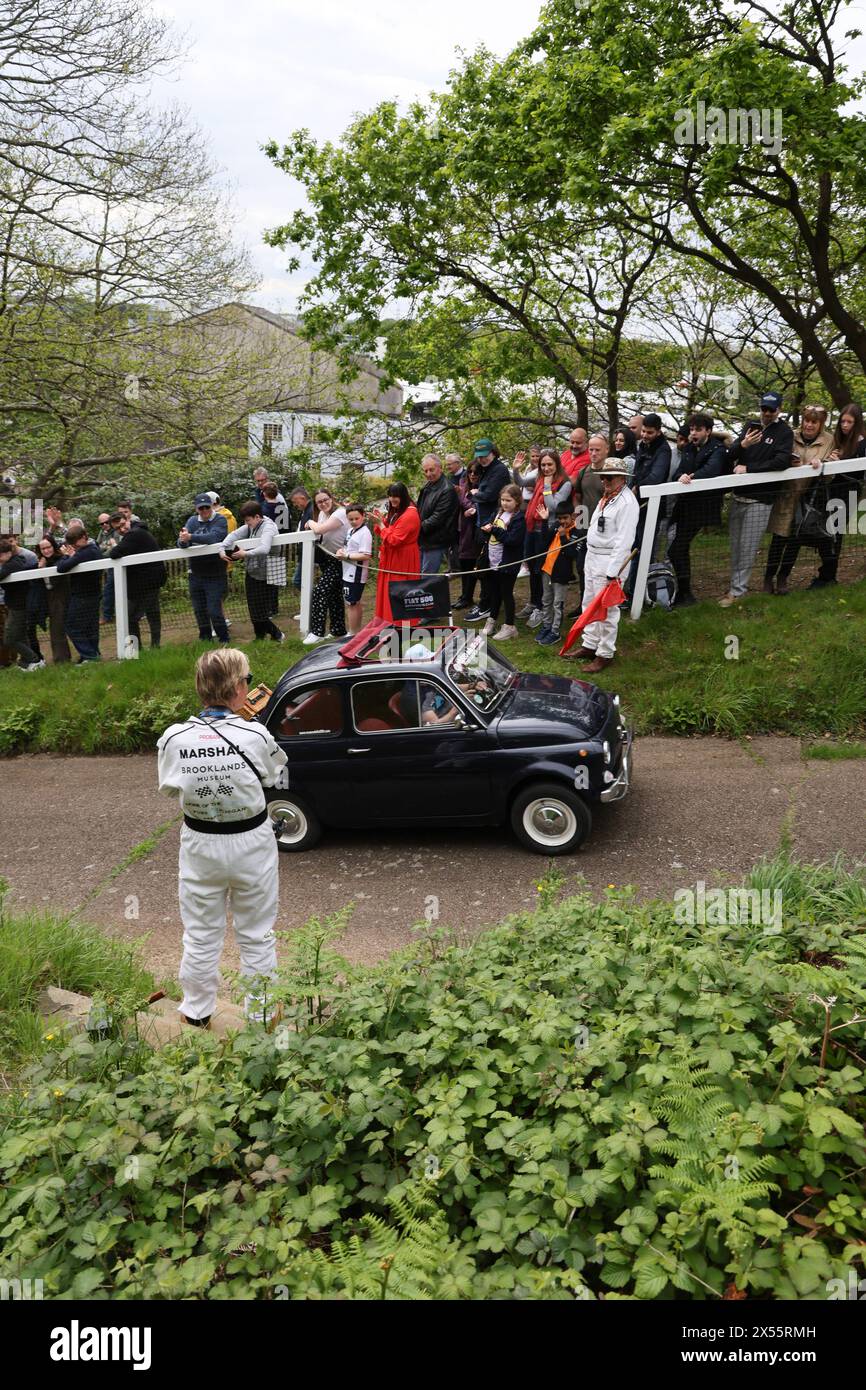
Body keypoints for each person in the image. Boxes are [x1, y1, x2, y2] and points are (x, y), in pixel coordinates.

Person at [156, 648, 288, 1029]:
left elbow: (169, 787)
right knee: (257, 934)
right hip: (251, 841)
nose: (249, 686)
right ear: (236, 686)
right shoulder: (255, 733)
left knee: (199, 934)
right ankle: (262, 1015)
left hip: (201, 843)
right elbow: (273, 774)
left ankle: (196, 1011)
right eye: (246, 679)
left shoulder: (174, 738)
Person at [720, 391, 794, 606]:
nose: (767, 413)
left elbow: (781, 461)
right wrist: (743, 445)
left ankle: (738, 591)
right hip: (739, 496)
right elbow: (730, 455)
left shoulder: (784, 433)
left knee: (748, 547)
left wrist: (749, 468)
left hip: (761, 500)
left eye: (771, 410)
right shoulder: (750, 427)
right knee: (735, 546)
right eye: (764, 409)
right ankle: (734, 587)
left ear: (779, 410)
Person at [570, 458, 639, 673]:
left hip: (610, 560)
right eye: (602, 477)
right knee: (588, 602)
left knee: (607, 610)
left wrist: (613, 572)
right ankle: (590, 644)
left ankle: (605, 653)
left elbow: (624, 540)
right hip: (593, 555)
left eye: (609, 477)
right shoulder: (608, 496)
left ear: (622, 478)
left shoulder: (627, 503)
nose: (604, 481)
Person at [761, 406, 834, 595]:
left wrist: (821, 466)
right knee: (778, 539)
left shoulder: (829, 441)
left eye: (814, 422)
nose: (809, 425)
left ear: (821, 424)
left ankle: (783, 577)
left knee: (795, 540)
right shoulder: (790, 436)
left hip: (808, 498)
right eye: (806, 421)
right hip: (785, 496)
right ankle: (768, 577)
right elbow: (775, 458)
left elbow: (831, 471)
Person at [667, 412, 726, 605]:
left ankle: (685, 593)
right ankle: (685, 594)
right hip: (685, 505)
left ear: (708, 431)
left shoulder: (717, 449)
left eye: (698, 429)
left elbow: (712, 470)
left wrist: (690, 477)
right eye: (692, 429)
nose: (694, 433)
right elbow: (678, 472)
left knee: (677, 549)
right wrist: (680, 477)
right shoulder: (689, 449)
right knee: (679, 549)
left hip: (702, 506)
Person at [516, 448, 573, 629]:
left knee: (541, 569)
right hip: (532, 527)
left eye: (550, 464)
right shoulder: (539, 478)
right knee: (532, 568)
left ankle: (541, 607)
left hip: (547, 530)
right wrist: (516, 469)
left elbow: (553, 506)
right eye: (543, 465)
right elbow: (521, 482)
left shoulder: (565, 483)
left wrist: (547, 487)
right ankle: (533, 603)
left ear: (557, 464)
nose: (546, 468)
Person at [463, 439, 511, 622]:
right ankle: (486, 602)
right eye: (479, 457)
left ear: (493, 452)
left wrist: (474, 495)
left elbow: (490, 496)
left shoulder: (498, 470)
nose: (481, 460)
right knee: (482, 566)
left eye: (484, 456)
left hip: (492, 524)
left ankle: (487, 604)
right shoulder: (485, 470)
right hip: (482, 523)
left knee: (487, 566)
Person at [223, 500, 285, 642]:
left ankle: (278, 635)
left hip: (272, 569)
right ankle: (260, 637)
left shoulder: (269, 527)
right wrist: (222, 547)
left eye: (248, 520)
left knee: (261, 611)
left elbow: (264, 548)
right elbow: (234, 535)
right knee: (254, 609)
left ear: (257, 517)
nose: (246, 524)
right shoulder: (252, 525)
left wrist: (245, 554)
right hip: (255, 570)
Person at [108, 512, 165, 649]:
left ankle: (135, 650)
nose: (121, 529)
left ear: (128, 520)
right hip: (145, 583)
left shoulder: (135, 534)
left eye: (122, 525)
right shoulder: (136, 533)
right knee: (151, 612)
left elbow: (114, 553)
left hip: (146, 583)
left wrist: (115, 546)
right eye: (117, 528)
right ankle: (151, 647)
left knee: (129, 617)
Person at [178, 494, 230, 643]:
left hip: (215, 574)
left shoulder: (220, 519)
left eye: (207, 507)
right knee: (199, 610)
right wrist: (183, 540)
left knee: (214, 610)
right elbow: (182, 541)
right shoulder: (192, 521)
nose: (204, 510)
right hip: (196, 574)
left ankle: (224, 639)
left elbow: (214, 537)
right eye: (201, 508)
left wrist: (190, 537)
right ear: (197, 509)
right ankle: (205, 639)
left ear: (212, 505)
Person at [303, 487, 350, 644]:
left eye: (325, 500)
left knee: (320, 591)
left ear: (331, 498)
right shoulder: (323, 514)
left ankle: (317, 632)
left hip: (341, 559)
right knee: (334, 595)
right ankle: (338, 630)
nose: (323, 504)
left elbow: (320, 529)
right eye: (319, 502)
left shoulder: (340, 512)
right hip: (328, 558)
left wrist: (310, 521)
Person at [479, 484, 526, 639]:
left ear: (517, 501)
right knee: (495, 592)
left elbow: (513, 540)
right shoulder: (498, 513)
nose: (505, 503)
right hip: (493, 561)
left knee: (506, 593)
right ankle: (491, 620)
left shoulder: (519, 519)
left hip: (508, 563)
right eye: (503, 500)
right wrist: (486, 528)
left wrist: (494, 530)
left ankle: (510, 626)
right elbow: (489, 528)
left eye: (509, 500)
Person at [372, 482, 421, 623]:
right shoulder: (399, 509)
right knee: (389, 589)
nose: (392, 499)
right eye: (390, 496)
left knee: (398, 589)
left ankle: (399, 623)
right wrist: (380, 520)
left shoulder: (410, 514)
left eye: (396, 496)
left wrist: (381, 525)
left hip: (402, 558)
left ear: (403, 496)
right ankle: (386, 620)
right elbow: (390, 529)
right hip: (394, 556)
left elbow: (394, 539)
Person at [56, 523, 103, 662]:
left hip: (83, 596)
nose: (74, 547)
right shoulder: (92, 549)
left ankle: (90, 656)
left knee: (72, 627)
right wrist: (73, 555)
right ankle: (92, 654)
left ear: (84, 537)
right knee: (90, 627)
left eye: (75, 544)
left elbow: (61, 568)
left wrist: (66, 556)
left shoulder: (86, 551)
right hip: (92, 594)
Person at [535, 501, 580, 646]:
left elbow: (572, 553)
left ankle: (555, 631)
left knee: (557, 603)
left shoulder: (577, 533)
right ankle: (547, 626)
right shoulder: (555, 526)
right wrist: (544, 521)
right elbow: (544, 540)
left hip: (561, 575)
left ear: (572, 516)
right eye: (560, 519)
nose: (562, 521)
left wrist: (562, 536)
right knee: (546, 601)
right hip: (547, 570)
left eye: (565, 518)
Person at [0, 535, 43, 668]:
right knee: (21, 636)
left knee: (9, 639)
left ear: (8, 553)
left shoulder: (16, 561)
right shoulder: (9, 562)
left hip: (20, 606)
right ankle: (28, 662)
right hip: (13, 605)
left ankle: (34, 660)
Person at [416, 453, 459, 575]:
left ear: (440, 468)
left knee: (427, 577)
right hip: (423, 539)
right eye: (426, 471)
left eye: (431, 470)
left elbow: (438, 518)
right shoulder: (427, 486)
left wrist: (416, 528)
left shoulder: (447, 489)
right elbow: (419, 509)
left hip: (436, 541)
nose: (429, 474)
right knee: (418, 574)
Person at [335, 502, 373, 634]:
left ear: (363, 516)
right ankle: (356, 633)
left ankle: (352, 633)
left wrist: (347, 556)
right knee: (354, 603)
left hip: (355, 574)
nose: (354, 521)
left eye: (357, 518)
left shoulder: (365, 533)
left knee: (351, 604)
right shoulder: (350, 530)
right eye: (350, 519)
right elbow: (348, 548)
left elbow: (366, 555)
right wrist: (341, 551)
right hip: (347, 571)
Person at [33, 534, 71, 663]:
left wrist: (43, 570)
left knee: (59, 628)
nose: (46, 551)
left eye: (48, 547)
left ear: (53, 546)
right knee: (55, 629)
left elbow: (50, 584)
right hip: (49, 599)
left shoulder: (61, 559)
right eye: (43, 549)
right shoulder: (40, 561)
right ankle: (61, 659)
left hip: (62, 597)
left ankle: (62, 659)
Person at [452, 462, 484, 610]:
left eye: (476, 472)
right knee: (464, 564)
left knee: (473, 566)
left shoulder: (482, 488)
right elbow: (465, 502)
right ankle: (465, 596)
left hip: (475, 532)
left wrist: (471, 507)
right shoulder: (464, 486)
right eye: (470, 472)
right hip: (463, 531)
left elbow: (477, 505)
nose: (472, 475)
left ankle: (469, 597)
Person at [260, 483, 288, 613]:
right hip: (280, 543)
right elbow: (287, 528)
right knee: (275, 576)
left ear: (264, 494)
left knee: (266, 576)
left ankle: (268, 608)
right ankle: (274, 607)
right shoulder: (283, 507)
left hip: (268, 543)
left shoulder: (263, 508)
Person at [96, 513, 118, 623]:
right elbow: (98, 547)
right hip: (107, 566)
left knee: (109, 589)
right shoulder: (102, 533)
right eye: (102, 523)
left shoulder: (117, 531)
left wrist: (103, 554)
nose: (105, 525)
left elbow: (114, 549)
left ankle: (107, 616)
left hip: (117, 563)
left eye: (107, 522)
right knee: (108, 589)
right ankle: (108, 615)